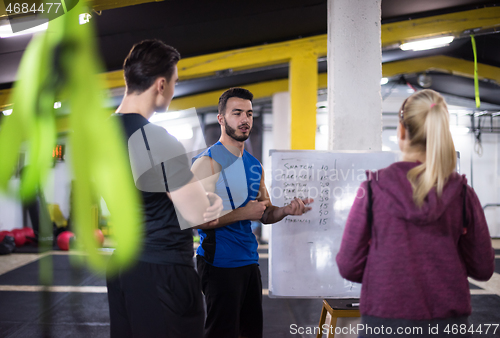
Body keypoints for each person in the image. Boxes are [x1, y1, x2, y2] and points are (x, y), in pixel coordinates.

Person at [336, 89, 495, 338]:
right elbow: (483, 267)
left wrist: (385, 271)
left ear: (401, 131)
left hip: (384, 318)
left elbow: (348, 265)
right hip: (449, 323)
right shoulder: (462, 193)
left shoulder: (373, 189)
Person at [106, 39, 223, 338]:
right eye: (175, 82)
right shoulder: (155, 139)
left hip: (123, 268)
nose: (173, 89)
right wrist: (211, 197)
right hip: (163, 272)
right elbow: (199, 215)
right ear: (160, 84)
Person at [191, 87, 313, 338]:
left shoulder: (254, 165)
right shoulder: (208, 163)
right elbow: (196, 219)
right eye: (237, 113)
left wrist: (287, 210)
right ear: (221, 119)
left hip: (249, 261)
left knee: (251, 332)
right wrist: (242, 213)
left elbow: (265, 213)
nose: (245, 119)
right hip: (218, 263)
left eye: (249, 113)